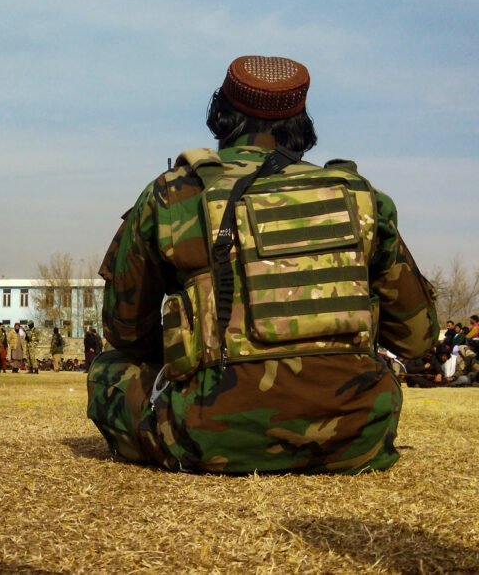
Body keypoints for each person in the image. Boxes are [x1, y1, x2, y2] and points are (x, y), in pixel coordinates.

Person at [88, 55, 438, 474]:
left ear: (220, 114)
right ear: (301, 123)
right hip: (355, 437)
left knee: (108, 371)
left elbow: (126, 332)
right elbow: (416, 338)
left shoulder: (173, 192)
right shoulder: (362, 198)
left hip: (207, 439)